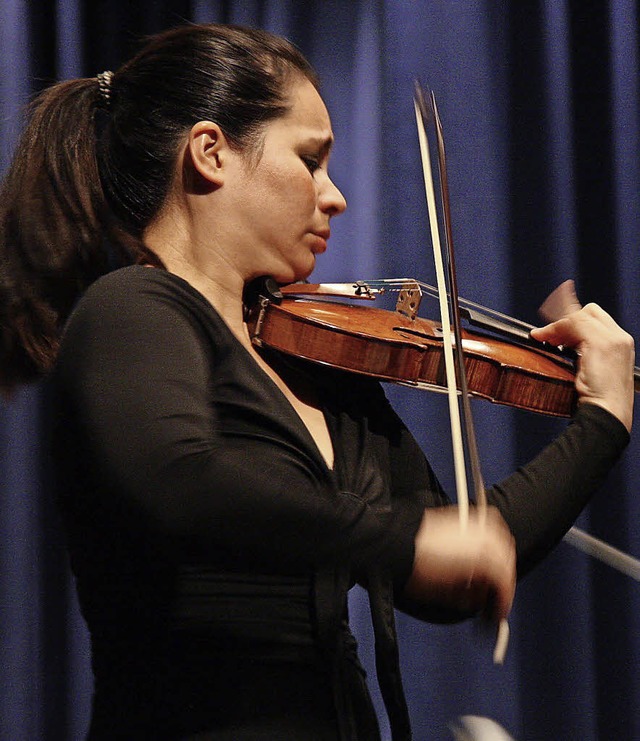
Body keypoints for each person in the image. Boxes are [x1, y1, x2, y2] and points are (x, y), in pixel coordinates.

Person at [0, 22, 634, 741]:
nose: (334, 197)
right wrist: (402, 540)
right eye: (310, 160)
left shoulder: (321, 370)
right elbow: (182, 479)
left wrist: (601, 420)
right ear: (211, 153)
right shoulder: (134, 311)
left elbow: (463, 558)